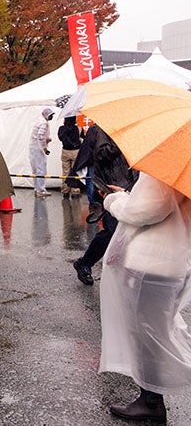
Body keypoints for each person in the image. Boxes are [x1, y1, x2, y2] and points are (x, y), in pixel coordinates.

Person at [98, 173, 191, 422]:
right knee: (158, 331)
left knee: (146, 336)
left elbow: (146, 211)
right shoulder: (185, 169)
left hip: (151, 264)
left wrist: (113, 200)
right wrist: (130, 195)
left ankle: (151, 401)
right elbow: (164, 203)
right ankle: (151, 398)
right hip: (174, 261)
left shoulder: (166, 166)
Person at [67, 123, 138, 286]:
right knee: (113, 230)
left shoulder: (133, 127)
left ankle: (119, 268)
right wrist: (122, 139)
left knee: (128, 230)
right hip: (108, 186)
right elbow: (101, 154)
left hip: (128, 186)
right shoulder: (100, 128)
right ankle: (85, 262)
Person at [29, 107, 55, 197]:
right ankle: (41, 190)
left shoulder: (38, 121)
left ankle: (37, 189)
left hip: (33, 148)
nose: (51, 117)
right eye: (51, 115)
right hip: (38, 149)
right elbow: (40, 136)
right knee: (41, 169)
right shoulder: (44, 123)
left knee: (35, 169)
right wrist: (44, 147)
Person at [57, 116, 82, 198]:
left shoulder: (61, 128)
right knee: (75, 171)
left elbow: (60, 138)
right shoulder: (78, 128)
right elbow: (82, 138)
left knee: (65, 172)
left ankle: (65, 190)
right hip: (76, 152)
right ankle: (75, 191)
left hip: (65, 151)